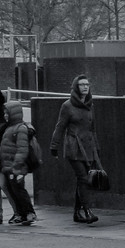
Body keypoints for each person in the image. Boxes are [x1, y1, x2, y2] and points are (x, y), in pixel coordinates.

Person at [47, 75, 101, 224]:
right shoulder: (67, 106)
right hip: (74, 147)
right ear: (76, 87)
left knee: (82, 181)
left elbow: (93, 129)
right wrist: (54, 146)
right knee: (84, 178)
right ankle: (87, 211)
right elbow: (60, 126)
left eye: (87, 84)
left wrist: (96, 147)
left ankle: (77, 213)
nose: (85, 87)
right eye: (81, 84)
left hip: (88, 148)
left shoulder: (91, 105)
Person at [0, 103, 38, 225]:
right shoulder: (10, 128)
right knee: (13, 190)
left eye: (6, 113)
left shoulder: (20, 128)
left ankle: (29, 213)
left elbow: (22, 149)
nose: (5, 115)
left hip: (17, 167)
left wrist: (16, 166)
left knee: (19, 190)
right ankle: (22, 214)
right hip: (9, 166)